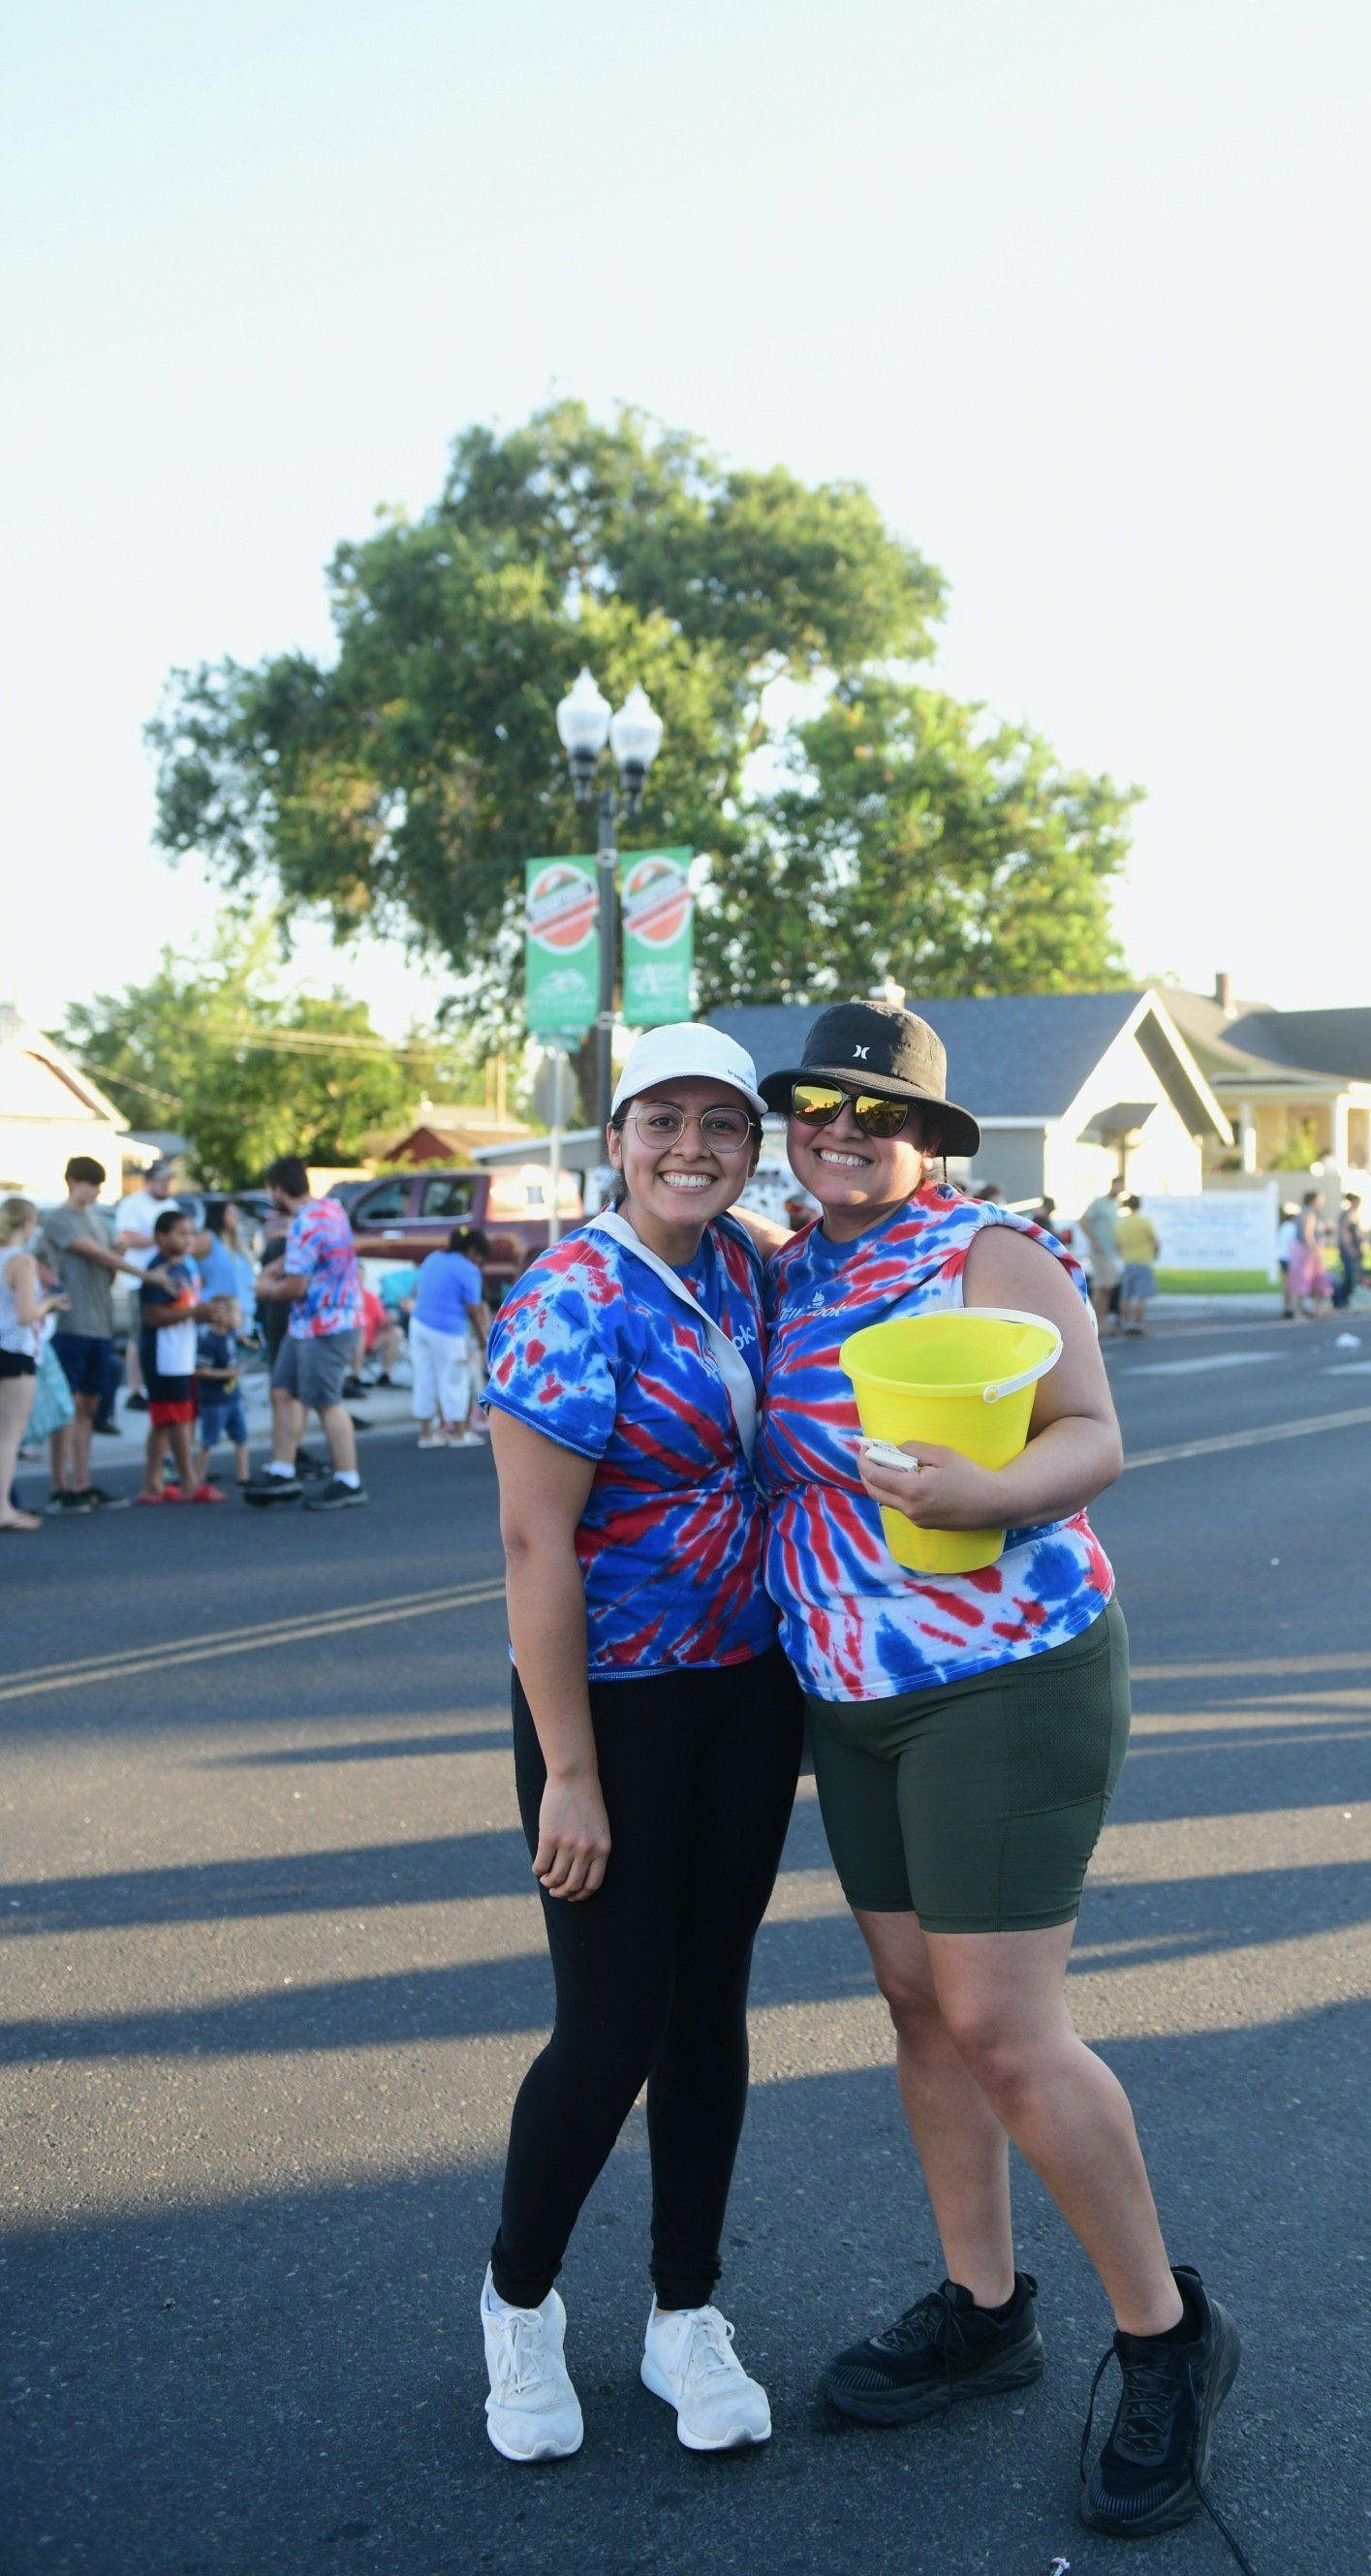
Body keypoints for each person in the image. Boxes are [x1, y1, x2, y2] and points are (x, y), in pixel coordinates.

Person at [756, 1001, 1240, 2548]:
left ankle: (1168, 2339)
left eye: (875, 1112)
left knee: (1003, 2029)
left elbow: (1093, 1433)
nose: (841, 1128)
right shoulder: (782, 1269)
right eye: (817, 1105)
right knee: (916, 2007)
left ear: (932, 1138)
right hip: (851, 1691)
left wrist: (997, 1486)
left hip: (1005, 1673)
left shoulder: (995, 1253)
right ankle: (986, 2311)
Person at [478, 1023, 802, 2467]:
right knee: (609, 2026)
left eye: (723, 1126)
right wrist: (573, 1773)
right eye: (663, 1121)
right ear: (612, 1140)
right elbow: (533, 1544)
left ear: (751, 1147)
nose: (694, 1148)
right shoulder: (567, 1298)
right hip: (604, 1705)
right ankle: (519, 2304)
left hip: (747, 1689)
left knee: (708, 2007)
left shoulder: (747, 1261)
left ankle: (684, 2313)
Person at [248, 1159, 367, 1511]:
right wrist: (273, 1269)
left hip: (325, 1325)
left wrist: (262, 1289)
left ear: (278, 1190)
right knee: (283, 1391)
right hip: (311, 1325)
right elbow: (303, 1259)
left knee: (325, 1401)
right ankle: (283, 1471)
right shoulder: (330, 1209)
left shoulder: (303, 1223)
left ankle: (349, 1480)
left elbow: (296, 1287)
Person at [40, 1155, 146, 1511]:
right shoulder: (59, 1219)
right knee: (66, 1409)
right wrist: (145, 1273)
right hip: (71, 1324)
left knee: (89, 1405)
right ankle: (60, 1485)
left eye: (99, 1184)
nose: (97, 1190)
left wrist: (116, 1252)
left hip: (99, 1322)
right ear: (73, 1181)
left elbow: (106, 1269)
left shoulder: (99, 1222)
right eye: (91, 1182)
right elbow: (96, 1256)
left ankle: (82, 1482)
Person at [137, 1208, 217, 1505]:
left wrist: (202, 1315)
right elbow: (153, 1316)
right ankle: (189, 1481)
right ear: (161, 1236)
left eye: (190, 1233)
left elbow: (182, 1311)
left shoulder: (182, 1268)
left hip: (179, 1354)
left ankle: (152, 1483)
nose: (188, 1239)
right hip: (164, 1356)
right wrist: (195, 1312)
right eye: (181, 1233)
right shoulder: (158, 1269)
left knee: (162, 1420)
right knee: (176, 1417)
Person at [1, 1195, 66, 1530]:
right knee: (9, 1435)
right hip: (14, 1351)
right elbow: (27, 1314)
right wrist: (50, 1303)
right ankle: (3, 1508)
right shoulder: (22, 1261)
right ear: (27, 1224)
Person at [195, 1202, 259, 1489]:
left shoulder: (236, 1244)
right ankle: (198, 1474)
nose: (235, 1218)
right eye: (232, 1212)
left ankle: (243, 1474)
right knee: (210, 1435)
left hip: (236, 1316)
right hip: (215, 1309)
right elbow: (190, 1261)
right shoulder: (208, 1238)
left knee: (240, 1434)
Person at [412, 1225, 493, 1447]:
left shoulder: (433, 1258)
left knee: (424, 1378)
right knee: (455, 1378)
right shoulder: (468, 1269)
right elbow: (474, 1309)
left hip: (418, 1323)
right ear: (473, 1251)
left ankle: (427, 1434)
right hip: (447, 1329)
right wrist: (481, 1338)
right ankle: (459, 1433)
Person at [112, 1158, 180, 1407]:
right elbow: (127, 1237)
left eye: (168, 1181)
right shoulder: (133, 1204)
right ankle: (135, 1389)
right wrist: (162, 1238)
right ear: (149, 1182)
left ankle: (158, 1385)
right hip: (138, 1279)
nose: (165, 1186)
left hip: (168, 1279)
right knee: (138, 1335)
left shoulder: (171, 1204)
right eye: (161, 1181)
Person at [1078, 1184, 1124, 1339]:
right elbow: (1083, 1220)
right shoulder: (1099, 1203)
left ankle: (1101, 1322)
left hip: (1110, 1253)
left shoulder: (1113, 1205)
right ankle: (1095, 1323)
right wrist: (1093, 1240)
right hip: (1100, 1252)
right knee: (1102, 1286)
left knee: (1107, 1287)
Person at [1114, 1193, 1159, 1335]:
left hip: (1128, 1262)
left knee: (1126, 1295)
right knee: (1140, 1296)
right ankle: (1138, 1324)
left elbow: (1117, 1244)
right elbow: (1155, 1241)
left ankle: (1126, 1323)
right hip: (1144, 1261)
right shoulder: (1144, 1222)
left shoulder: (1122, 1223)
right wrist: (1155, 1254)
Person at [1286, 1191, 1329, 1319]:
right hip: (1306, 1251)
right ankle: (1299, 1311)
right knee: (1303, 1280)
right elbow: (1307, 1234)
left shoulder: (1311, 1212)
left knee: (1314, 1280)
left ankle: (1315, 1310)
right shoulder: (1309, 1212)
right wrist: (1315, 1251)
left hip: (1308, 1249)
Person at [1333, 1193, 1364, 1310]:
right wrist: (1350, 1248)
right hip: (1348, 1250)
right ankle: (1341, 1299)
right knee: (1348, 1274)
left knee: (1354, 1274)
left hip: (1355, 1248)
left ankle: (1345, 1298)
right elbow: (1344, 1233)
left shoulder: (1354, 1215)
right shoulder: (1346, 1215)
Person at [1274, 1203, 1298, 1316]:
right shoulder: (1292, 1228)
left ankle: (1286, 1305)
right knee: (1291, 1283)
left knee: (1286, 1282)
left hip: (1282, 1256)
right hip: (1289, 1257)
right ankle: (1291, 1306)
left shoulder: (1283, 1227)